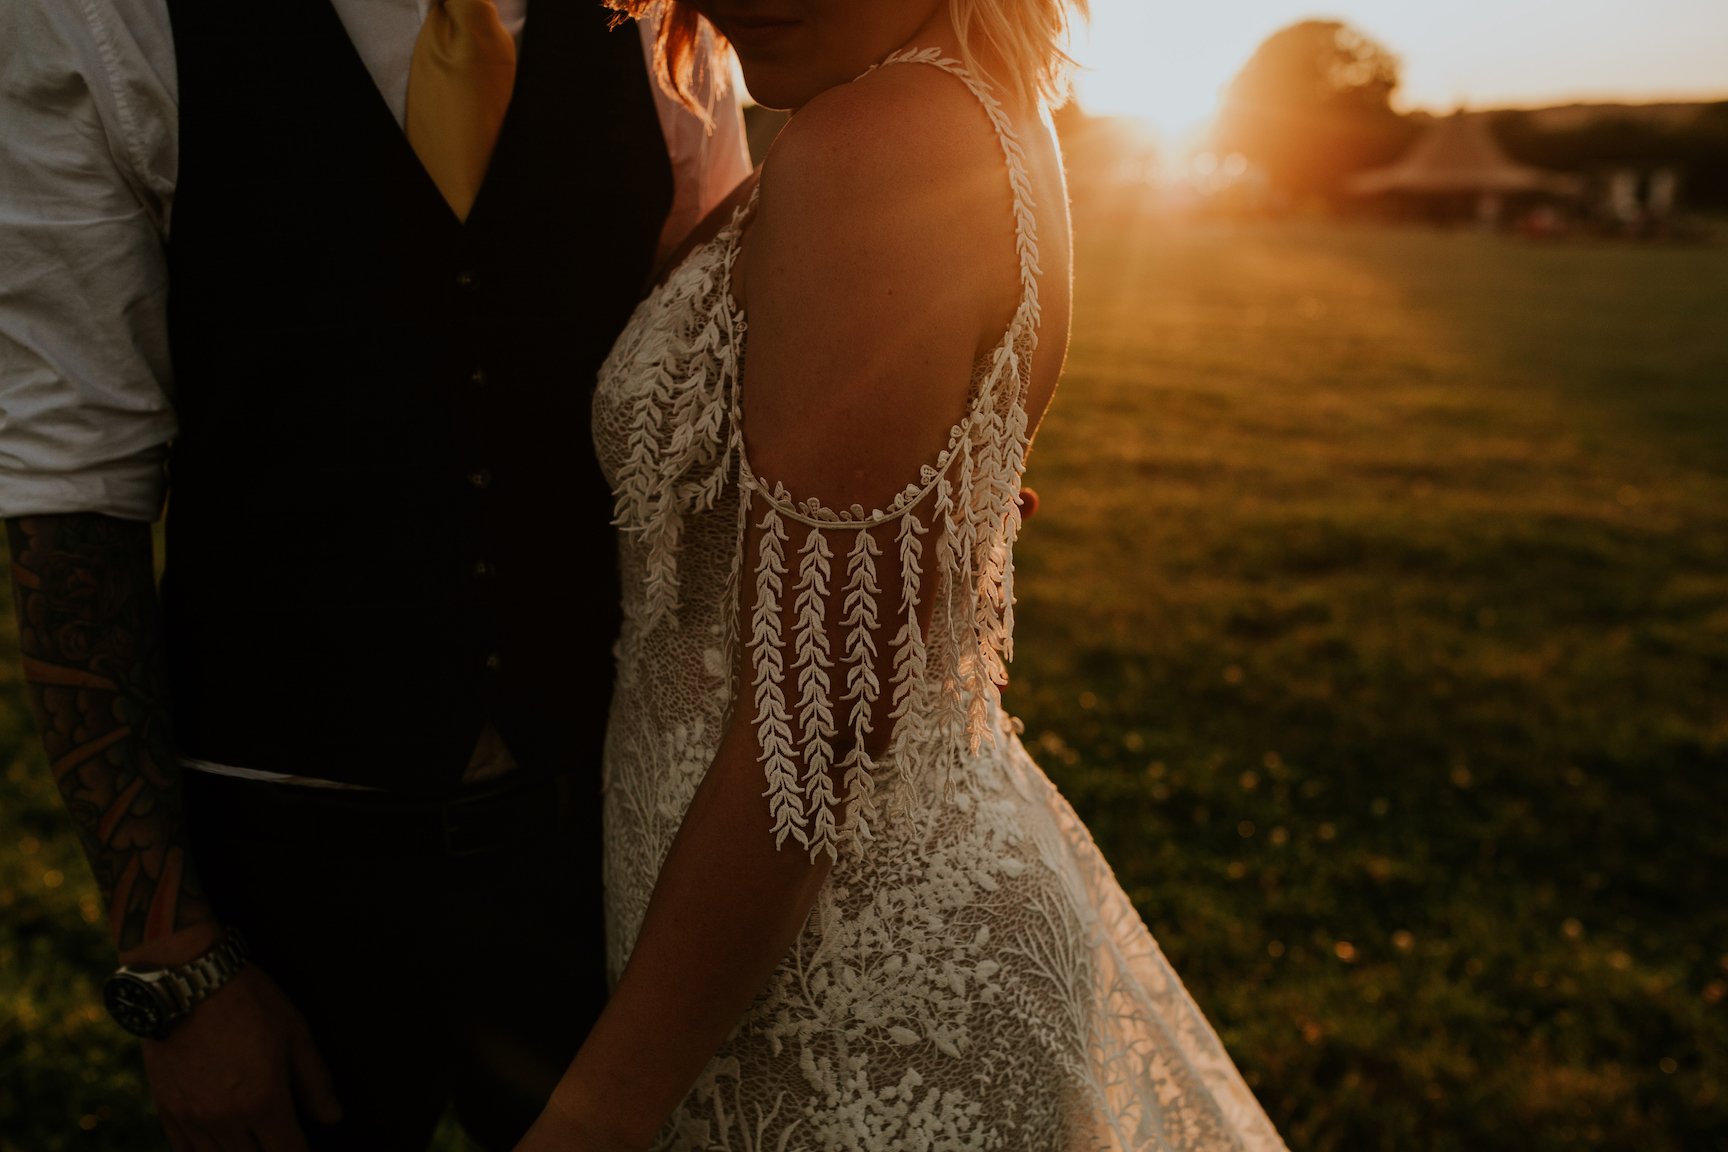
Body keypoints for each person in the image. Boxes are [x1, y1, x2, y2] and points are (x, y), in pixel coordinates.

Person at [514, 0, 1291, 1148]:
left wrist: (599, 1110)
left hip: (842, 982)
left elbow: (811, 727)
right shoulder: (961, 108)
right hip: (787, 930)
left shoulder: (879, 143)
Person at [0, 2, 748, 1149]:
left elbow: (724, 352)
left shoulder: (659, 20)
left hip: (605, 844)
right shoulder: (100, 16)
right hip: (285, 876)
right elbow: (70, 489)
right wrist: (175, 961)